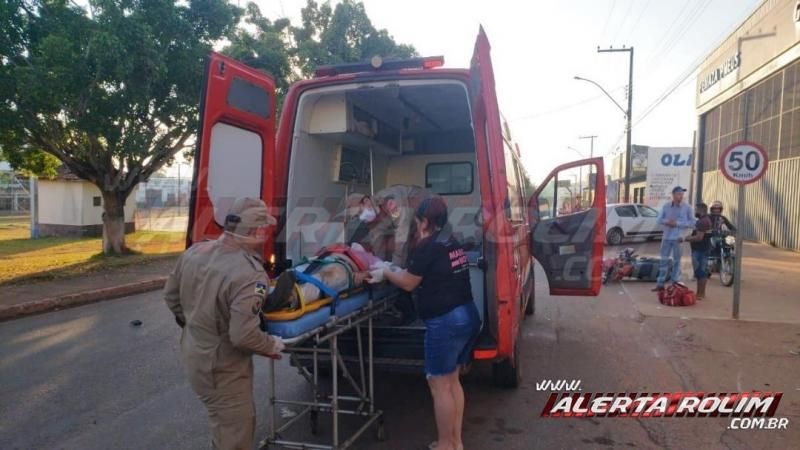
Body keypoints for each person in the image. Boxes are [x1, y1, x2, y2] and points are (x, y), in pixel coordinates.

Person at [164, 197, 284, 450]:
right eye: (265, 228)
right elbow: (242, 336)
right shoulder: (250, 274)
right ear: (255, 231)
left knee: (221, 425)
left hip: (196, 354)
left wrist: (200, 324)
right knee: (234, 435)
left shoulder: (195, 252)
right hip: (223, 368)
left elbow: (172, 298)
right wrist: (270, 345)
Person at [370, 196, 480, 450]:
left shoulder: (428, 246)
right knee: (452, 381)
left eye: (418, 221)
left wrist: (385, 271)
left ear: (425, 221)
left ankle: (444, 444)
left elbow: (409, 282)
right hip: (467, 315)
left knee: (439, 385)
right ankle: (456, 442)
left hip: (445, 322)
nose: (416, 225)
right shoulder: (450, 241)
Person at [363, 184, 434, 267]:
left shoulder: (394, 205)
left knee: (416, 242)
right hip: (410, 211)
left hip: (427, 205)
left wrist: (394, 269)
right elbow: (376, 236)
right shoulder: (375, 207)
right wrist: (378, 264)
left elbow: (401, 239)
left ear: (366, 201)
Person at [653, 186, 695, 291]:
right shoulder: (666, 206)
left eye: (682, 194)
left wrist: (677, 223)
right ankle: (660, 284)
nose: (680, 196)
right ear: (673, 195)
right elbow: (658, 220)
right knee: (663, 260)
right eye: (678, 194)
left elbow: (693, 222)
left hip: (678, 238)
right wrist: (667, 222)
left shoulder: (687, 208)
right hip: (666, 237)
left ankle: (674, 283)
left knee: (677, 261)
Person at [685, 203, 712, 300]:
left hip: (699, 250)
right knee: (701, 272)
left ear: (700, 210)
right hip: (704, 248)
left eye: (696, 210)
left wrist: (687, 238)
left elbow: (699, 237)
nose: (695, 212)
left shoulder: (702, 222)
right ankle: (700, 293)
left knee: (699, 272)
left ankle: (700, 294)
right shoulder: (706, 220)